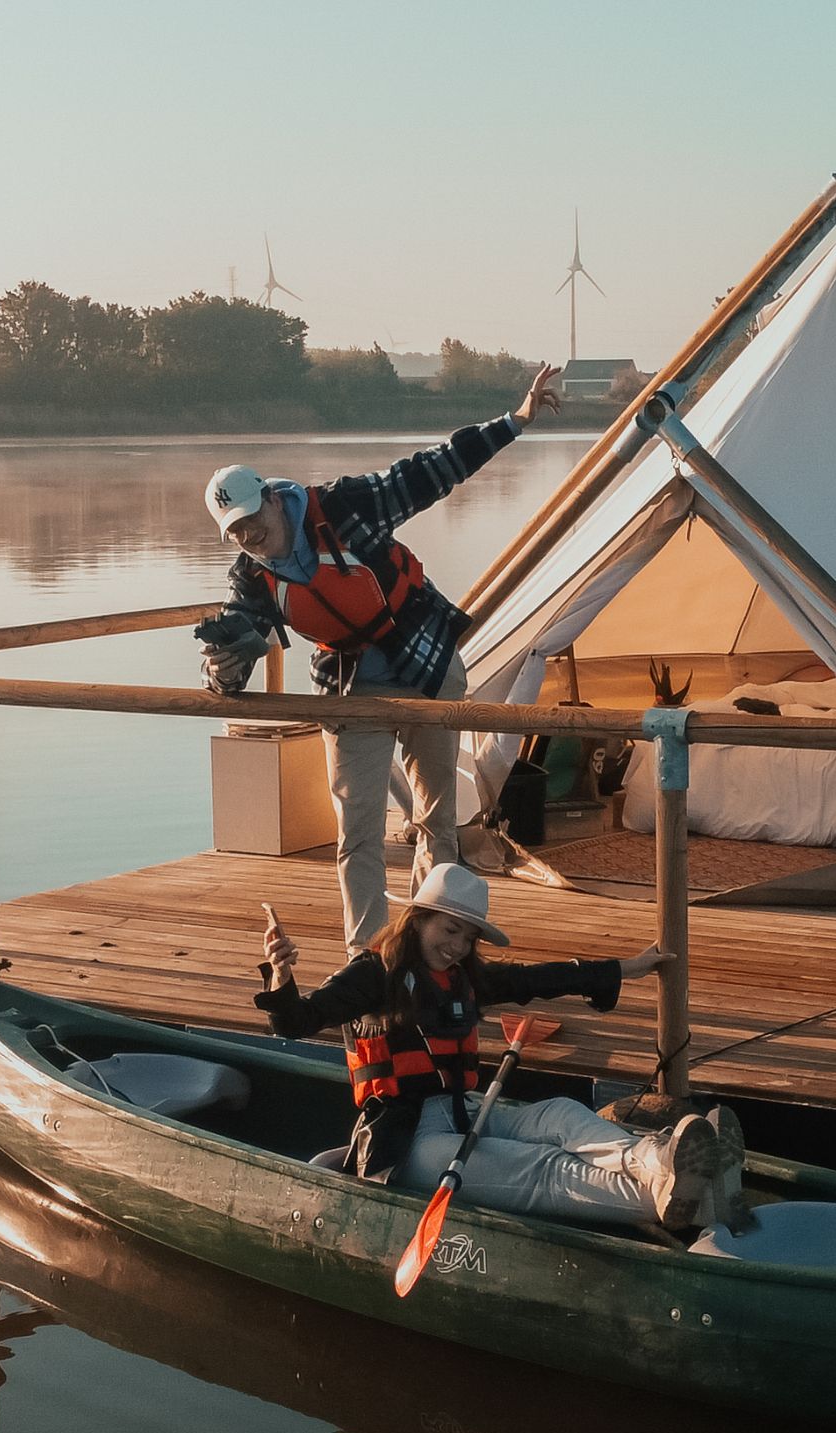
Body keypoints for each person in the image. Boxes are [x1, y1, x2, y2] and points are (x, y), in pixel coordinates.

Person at [197, 365, 564, 947]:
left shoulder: (343, 506)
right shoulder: (249, 577)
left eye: (251, 521)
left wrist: (515, 420)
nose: (249, 537)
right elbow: (227, 659)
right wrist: (225, 663)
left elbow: (431, 470)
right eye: (235, 531)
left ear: (270, 498)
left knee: (436, 818)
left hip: (425, 662)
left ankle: (430, 946)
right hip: (350, 688)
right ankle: (367, 956)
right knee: (357, 829)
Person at [252, 863, 737, 1232]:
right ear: (418, 919)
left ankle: (654, 1161)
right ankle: (681, 1201)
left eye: (469, 936)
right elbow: (297, 1021)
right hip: (402, 1146)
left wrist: (622, 968)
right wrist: (282, 974)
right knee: (543, 1168)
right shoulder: (372, 975)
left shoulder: (465, 977)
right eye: (449, 929)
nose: (459, 945)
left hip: (461, 1112)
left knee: (559, 1115)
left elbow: (536, 978)